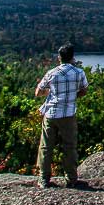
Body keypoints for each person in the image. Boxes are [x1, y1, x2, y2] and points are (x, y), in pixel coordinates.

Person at [35, 43, 88, 188]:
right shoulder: (79, 73)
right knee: (69, 147)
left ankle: (44, 179)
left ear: (59, 58)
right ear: (72, 58)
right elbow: (84, 91)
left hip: (51, 114)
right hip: (68, 114)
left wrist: (51, 93)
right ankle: (71, 179)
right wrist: (72, 96)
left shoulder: (51, 73)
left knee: (46, 147)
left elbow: (38, 92)